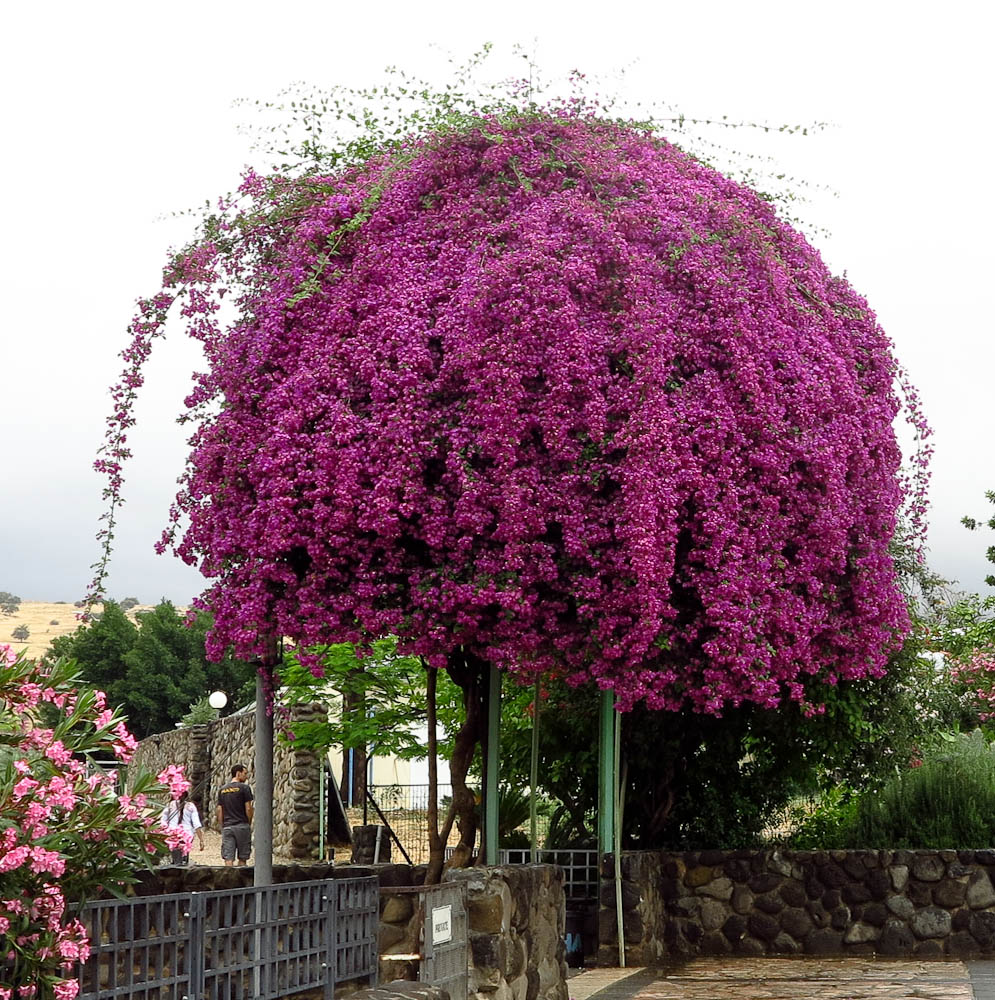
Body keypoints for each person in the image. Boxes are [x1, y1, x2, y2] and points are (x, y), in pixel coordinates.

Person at [216, 762, 254, 866]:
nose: (246, 777)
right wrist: (248, 822)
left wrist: (222, 825)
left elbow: (219, 810)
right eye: (244, 773)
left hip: (228, 827)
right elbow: (248, 808)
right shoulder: (244, 788)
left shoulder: (222, 790)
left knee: (228, 857)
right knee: (242, 857)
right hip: (242, 825)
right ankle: (241, 880)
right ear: (238, 773)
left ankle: (230, 880)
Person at [159, 790, 205, 865]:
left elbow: (163, 820)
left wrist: (164, 831)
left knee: (174, 853)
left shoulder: (170, 805)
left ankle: (174, 864)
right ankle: (184, 862)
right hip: (187, 835)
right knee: (185, 852)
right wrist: (201, 840)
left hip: (173, 833)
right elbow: (196, 824)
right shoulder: (191, 806)